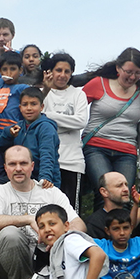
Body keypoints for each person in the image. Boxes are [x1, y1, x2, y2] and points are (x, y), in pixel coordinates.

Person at [0, 146, 85, 279]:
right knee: (10, 233)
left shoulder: (50, 192)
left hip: (47, 260)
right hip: (9, 263)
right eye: (12, 164)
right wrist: (28, 219)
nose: (18, 169)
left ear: (32, 166)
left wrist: (60, 238)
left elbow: (78, 224)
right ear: (5, 168)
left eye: (23, 163)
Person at [77, 47, 140, 205]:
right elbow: (76, 107)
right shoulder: (98, 84)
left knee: (123, 196)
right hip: (96, 146)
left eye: (137, 73)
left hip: (127, 150)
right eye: (129, 72)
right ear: (118, 68)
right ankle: (99, 230)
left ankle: (122, 230)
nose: (132, 77)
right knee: (106, 193)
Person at [41, 52, 89, 211]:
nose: (62, 75)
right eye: (58, 70)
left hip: (73, 162)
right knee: (47, 211)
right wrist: (45, 92)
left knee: (71, 211)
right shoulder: (42, 93)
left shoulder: (78, 94)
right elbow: (34, 117)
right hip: (47, 162)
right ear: (50, 72)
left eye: (66, 71)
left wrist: (48, 117)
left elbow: (81, 121)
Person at [0, 87, 60, 188]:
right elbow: (1, 148)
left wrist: (45, 178)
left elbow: (47, 155)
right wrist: (8, 134)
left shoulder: (46, 127)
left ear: (42, 107)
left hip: (42, 180)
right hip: (21, 177)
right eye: (25, 104)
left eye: (33, 104)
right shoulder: (18, 127)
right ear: (20, 108)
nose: (29, 108)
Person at [0, 50, 29, 179]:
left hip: (15, 138)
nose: (8, 73)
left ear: (20, 71)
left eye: (13, 69)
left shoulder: (22, 88)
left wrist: (46, 87)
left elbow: (36, 99)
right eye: (5, 69)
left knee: (14, 172)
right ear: (0, 71)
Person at [83, 172, 135, 240]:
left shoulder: (132, 217)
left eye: (126, 185)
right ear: (104, 192)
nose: (126, 189)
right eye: (119, 186)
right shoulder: (93, 224)